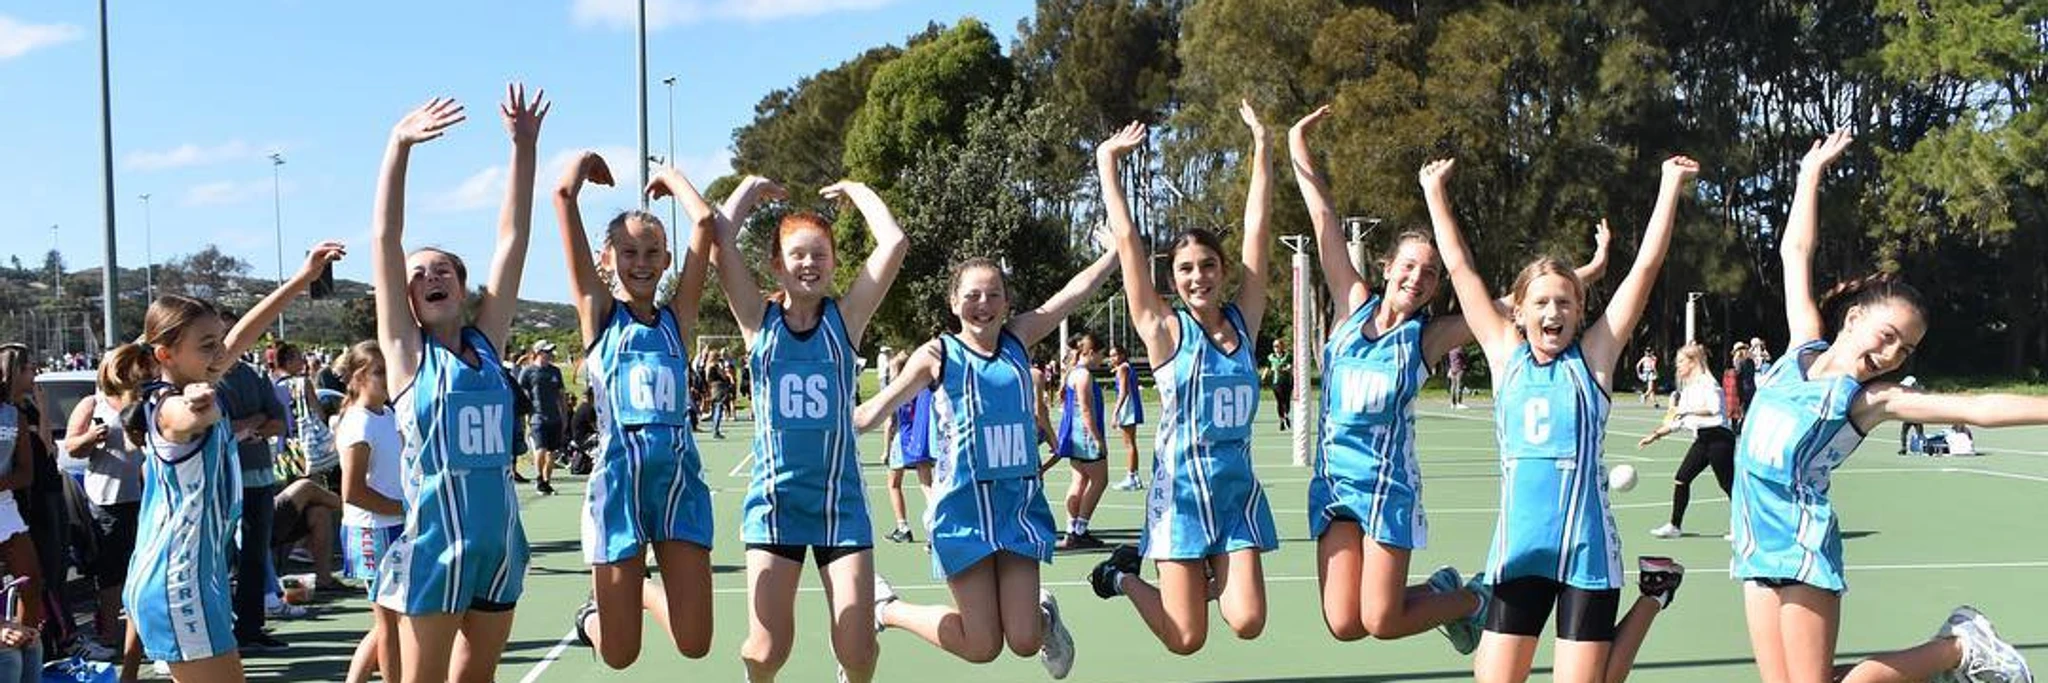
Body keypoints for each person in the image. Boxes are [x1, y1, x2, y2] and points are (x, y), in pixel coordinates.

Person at [1290, 106, 1614, 655]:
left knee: (1383, 620)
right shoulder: (1350, 307)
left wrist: (1584, 273)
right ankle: (1446, 593)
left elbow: (1514, 302)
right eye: (1410, 266)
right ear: (1388, 266)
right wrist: (1298, 145)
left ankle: (1470, 600)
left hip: (1384, 489)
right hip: (1332, 486)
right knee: (1344, 623)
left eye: (1430, 273)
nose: (1418, 278)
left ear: (1437, 286)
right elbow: (1323, 221)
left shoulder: (1426, 338)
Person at [1732, 129, 2037, 683]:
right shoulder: (1799, 347)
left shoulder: (1870, 400)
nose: (1892, 352)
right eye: (1888, 334)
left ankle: (1958, 649)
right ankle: (1957, 647)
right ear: (1854, 319)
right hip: (1754, 543)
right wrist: (1809, 175)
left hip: (1800, 544)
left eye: (1906, 348)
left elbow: (1981, 407)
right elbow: (1794, 252)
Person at [1421, 151, 1696, 682]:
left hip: (1586, 552)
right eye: (1542, 303)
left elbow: (1644, 269)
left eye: (1565, 303)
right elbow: (1460, 268)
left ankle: (1654, 596)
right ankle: (1659, 592)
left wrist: (1669, 186)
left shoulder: (1594, 360)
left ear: (1579, 311)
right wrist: (1435, 193)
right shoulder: (1506, 357)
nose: (1553, 313)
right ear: (1518, 311)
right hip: (1521, 550)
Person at [853, 224, 1118, 679]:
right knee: (981, 646)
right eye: (973, 295)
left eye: (993, 295)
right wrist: (827, 425)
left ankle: (1046, 618)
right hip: (962, 515)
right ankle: (887, 608)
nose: (983, 304)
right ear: (954, 303)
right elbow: (874, 410)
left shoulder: (1017, 338)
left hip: (1016, 509)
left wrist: (1114, 253)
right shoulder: (936, 355)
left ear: (1006, 303)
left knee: (1023, 639)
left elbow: (1072, 294)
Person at [368, 85, 546, 683]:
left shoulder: (487, 346)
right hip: (435, 549)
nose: (430, 274)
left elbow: (512, 239)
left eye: (442, 267)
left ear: (462, 286)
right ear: (409, 298)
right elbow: (385, 239)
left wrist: (524, 146)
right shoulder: (405, 356)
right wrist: (399, 147)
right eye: (418, 274)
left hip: (499, 543)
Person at [104, 242, 343, 682]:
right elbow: (181, 418)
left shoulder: (199, 372)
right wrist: (198, 405)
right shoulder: (168, 405)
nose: (220, 355)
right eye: (208, 345)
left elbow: (246, 333)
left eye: (219, 343)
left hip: (193, 578)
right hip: (180, 583)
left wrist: (302, 279)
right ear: (165, 354)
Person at [1085, 104, 1275, 656]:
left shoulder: (1245, 322)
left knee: (1248, 621)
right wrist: (1107, 164)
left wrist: (1262, 146)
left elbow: (1257, 233)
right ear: (1174, 278)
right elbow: (1127, 243)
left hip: (1236, 492)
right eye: (1187, 269)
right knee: (1187, 639)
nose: (1199, 276)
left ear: (1222, 270)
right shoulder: (1164, 330)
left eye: (1209, 265)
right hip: (1182, 498)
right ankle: (1120, 578)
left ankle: (1198, 579)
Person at [710, 173, 907, 683]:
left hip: (839, 506)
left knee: (858, 652)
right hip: (775, 506)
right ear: (777, 264)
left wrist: (858, 191)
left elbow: (894, 242)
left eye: (820, 255)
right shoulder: (758, 322)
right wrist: (749, 191)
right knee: (767, 650)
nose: (809, 264)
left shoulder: (847, 320)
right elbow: (720, 242)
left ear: (835, 264)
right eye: (797, 254)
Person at [553, 149, 722, 670]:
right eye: (628, 252)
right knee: (621, 655)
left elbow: (707, 222)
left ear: (667, 260)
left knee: (695, 642)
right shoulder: (600, 316)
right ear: (608, 259)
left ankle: (643, 591)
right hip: (618, 487)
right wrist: (581, 165)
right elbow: (562, 198)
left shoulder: (678, 319)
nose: (641, 262)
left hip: (678, 485)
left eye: (652, 252)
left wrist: (672, 176)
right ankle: (592, 616)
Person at [328, 341, 406, 683]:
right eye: (379, 371)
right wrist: (402, 508)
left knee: (392, 619)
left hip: (397, 526)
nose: (388, 377)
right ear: (358, 377)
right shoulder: (358, 423)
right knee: (390, 624)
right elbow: (353, 492)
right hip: (373, 531)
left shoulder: (387, 414)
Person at [58, 355, 145, 664]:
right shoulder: (92, 404)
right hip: (108, 500)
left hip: (145, 498)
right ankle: (108, 636)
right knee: (111, 575)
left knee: (141, 572)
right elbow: (71, 446)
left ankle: (143, 638)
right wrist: (91, 438)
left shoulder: (145, 399)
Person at [217, 336, 294, 649]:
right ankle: (220, 627)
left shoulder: (255, 375)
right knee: (220, 558)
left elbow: (278, 422)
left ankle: (250, 627)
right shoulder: (207, 382)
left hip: (260, 478)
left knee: (255, 555)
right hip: (223, 482)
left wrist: (255, 426)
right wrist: (253, 419)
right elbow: (219, 428)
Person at [1638, 344, 1735, 540]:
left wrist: (1688, 410)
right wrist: (1655, 435)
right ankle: (1675, 526)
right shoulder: (1688, 389)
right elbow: (1678, 422)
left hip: (1719, 438)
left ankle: (1744, 528)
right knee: (1682, 477)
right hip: (1703, 439)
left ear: (1693, 362)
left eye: (1681, 362)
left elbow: (1714, 409)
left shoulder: (1708, 383)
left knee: (1729, 485)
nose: (1678, 366)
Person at [0, 347, 42, 665]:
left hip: (5, 506)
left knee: (31, 580)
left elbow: (25, 473)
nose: (36, 374)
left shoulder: (17, 414)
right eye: (31, 368)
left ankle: (25, 639)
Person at [1053, 333, 1109, 550]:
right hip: (1085, 437)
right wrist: (1098, 439)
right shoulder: (1083, 375)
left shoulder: (1074, 373)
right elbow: (1086, 410)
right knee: (1099, 481)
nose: (1102, 359)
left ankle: (1071, 529)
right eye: (1101, 355)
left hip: (1074, 436)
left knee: (1079, 481)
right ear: (1092, 352)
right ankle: (1080, 530)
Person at [881, 350, 933, 545]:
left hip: (903, 439)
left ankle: (903, 527)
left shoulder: (897, 389)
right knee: (927, 485)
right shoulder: (921, 387)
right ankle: (934, 529)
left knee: (893, 484)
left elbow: (889, 422)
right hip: (921, 439)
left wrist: (885, 449)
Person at [518, 340, 567, 496]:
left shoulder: (555, 372)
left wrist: (564, 415)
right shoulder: (527, 372)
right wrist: (525, 416)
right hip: (537, 418)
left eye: (551, 352)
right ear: (538, 353)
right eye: (547, 351)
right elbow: (522, 395)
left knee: (552, 453)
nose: (550, 354)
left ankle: (547, 482)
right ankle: (539, 479)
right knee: (541, 449)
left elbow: (561, 396)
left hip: (555, 418)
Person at [1106, 345, 1145, 491]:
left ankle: (1132, 477)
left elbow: (1123, 392)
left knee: (1129, 444)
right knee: (1131, 443)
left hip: (1128, 408)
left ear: (1122, 355)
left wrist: (1115, 412)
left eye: (1115, 355)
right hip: (1131, 406)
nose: (1112, 358)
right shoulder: (1126, 367)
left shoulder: (1122, 368)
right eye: (1111, 356)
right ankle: (1134, 477)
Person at [1266, 345, 1294, 431]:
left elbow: (1291, 366)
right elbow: (1268, 367)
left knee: (1287, 400)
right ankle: (1281, 420)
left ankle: (1286, 415)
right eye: (1274, 346)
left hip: (1287, 381)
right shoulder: (1271, 357)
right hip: (1276, 382)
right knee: (1280, 401)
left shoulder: (1288, 356)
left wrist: (1286, 369)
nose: (1276, 348)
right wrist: (1263, 376)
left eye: (1278, 346)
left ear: (1282, 347)